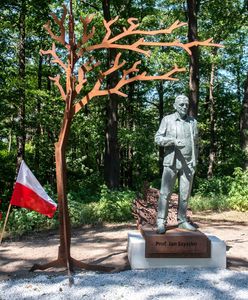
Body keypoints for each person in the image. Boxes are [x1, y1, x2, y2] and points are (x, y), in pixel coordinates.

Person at [155, 95, 198, 234]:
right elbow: (158, 138)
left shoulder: (193, 122)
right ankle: (161, 221)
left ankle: (182, 220)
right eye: (181, 104)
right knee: (165, 193)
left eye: (186, 104)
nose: (184, 107)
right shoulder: (167, 120)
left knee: (185, 194)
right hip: (171, 162)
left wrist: (195, 160)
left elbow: (195, 143)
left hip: (188, 164)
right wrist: (172, 141)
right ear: (175, 105)